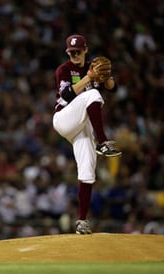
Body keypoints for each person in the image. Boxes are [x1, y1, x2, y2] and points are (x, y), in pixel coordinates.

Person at [52, 34, 121, 234]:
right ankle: (103, 142)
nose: (75, 54)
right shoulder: (63, 70)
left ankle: (82, 221)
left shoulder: (95, 66)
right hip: (64, 118)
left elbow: (113, 88)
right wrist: (88, 78)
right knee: (92, 94)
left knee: (88, 171)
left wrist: (107, 78)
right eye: (71, 52)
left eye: (78, 51)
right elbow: (65, 95)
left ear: (85, 50)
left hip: (83, 125)